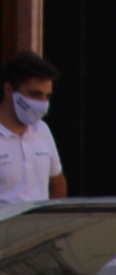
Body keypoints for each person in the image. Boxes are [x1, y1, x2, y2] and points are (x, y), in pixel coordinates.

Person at [0, 52, 63, 206]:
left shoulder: (42, 130)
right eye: (35, 94)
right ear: (9, 90)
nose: (42, 103)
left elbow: (58, 183)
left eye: (47, 96)